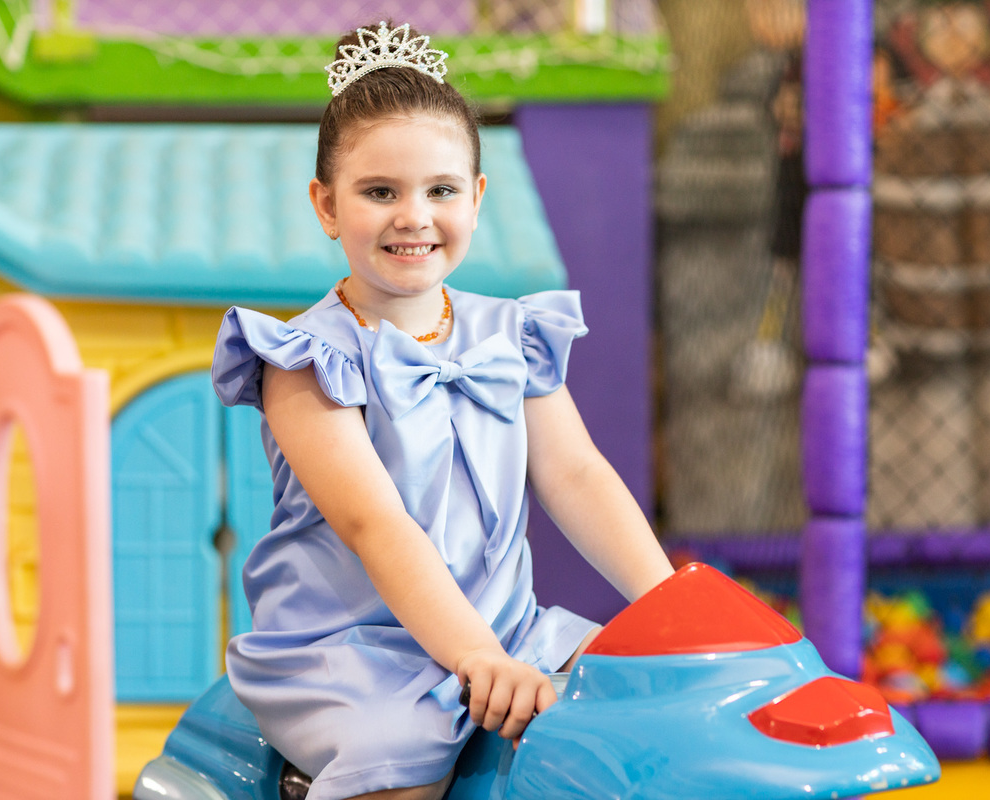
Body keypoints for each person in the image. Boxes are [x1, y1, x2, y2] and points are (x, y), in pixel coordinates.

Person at [210, 20, 675, 800]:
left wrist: (668, 604)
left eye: (441, 190)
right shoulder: (306, 361)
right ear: (327, 205)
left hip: (507, 626)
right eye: (380, 192)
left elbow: (577, 474)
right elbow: (375, 523)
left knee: (642, 705)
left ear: (477, 197)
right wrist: (475, 659)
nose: (414, 215)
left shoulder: (512, 334)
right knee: (403, 767)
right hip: (353, 649)